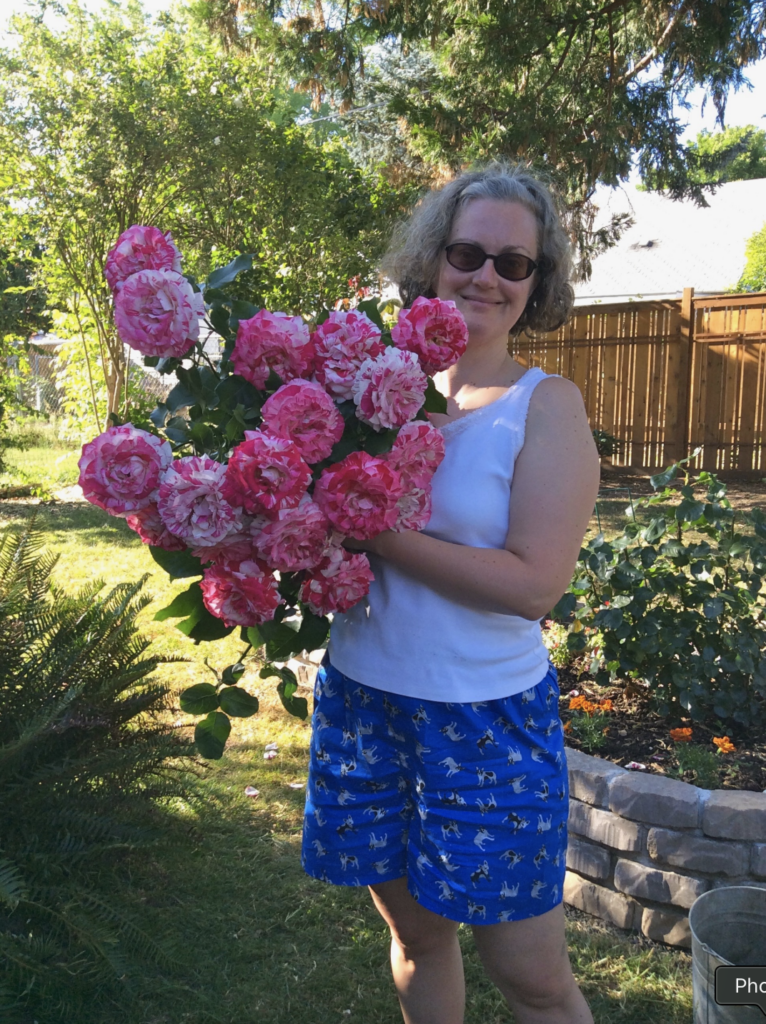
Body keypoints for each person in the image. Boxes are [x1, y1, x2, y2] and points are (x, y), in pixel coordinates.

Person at [301, 162, 600, 1024]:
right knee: (416, 940)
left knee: (532, 979)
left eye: (516, 263)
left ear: (538, 284)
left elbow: (534, 584)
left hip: (486, 721)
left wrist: (373, 528)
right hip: (364, 702)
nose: (488, 276)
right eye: (469, 251)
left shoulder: (547, 407)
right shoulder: (363, 390)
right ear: (435, 258)